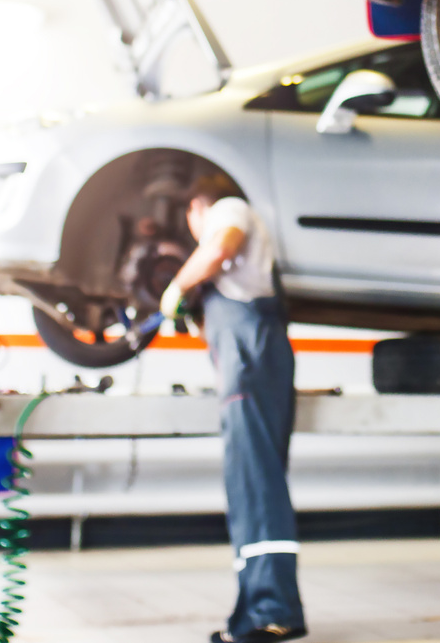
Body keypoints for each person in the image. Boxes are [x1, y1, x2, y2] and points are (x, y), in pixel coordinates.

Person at [159, 176, 305, 643]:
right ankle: (251, 616)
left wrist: (179, 284)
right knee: (250, 488)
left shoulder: (227, 208)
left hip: (251, 361)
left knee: (257, 486)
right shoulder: (239, 278)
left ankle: (271, 613)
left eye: (191, 224)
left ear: (196, 208)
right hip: (253, 360)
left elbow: (221, 244)